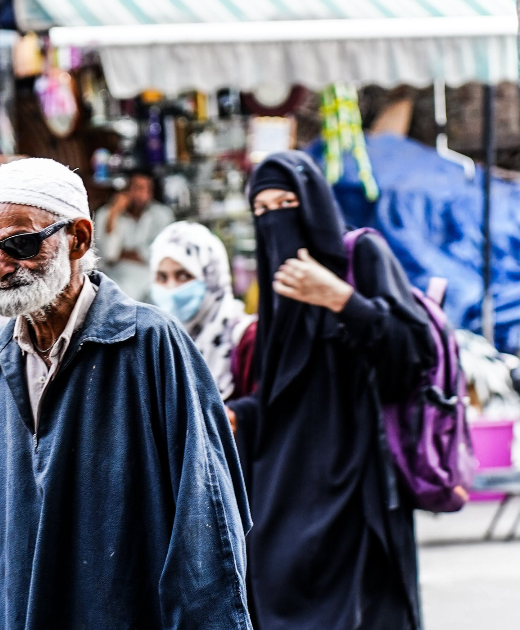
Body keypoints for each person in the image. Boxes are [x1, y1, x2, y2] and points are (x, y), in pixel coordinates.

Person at [0, 158, 253, 630]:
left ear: (78, 239)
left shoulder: (150, 345)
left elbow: (206, 523)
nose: (0, 267)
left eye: (20, 245)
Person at [226, 151, 434, 630]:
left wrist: (341, 299)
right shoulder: (277, 291)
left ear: (313, 202)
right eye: (261, 211)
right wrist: (241, 413)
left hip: (357, 491)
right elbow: (289, 396)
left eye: (286, 202)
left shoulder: (361, 256)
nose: (275, 219)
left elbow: (411, 355)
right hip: (286, 495)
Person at [148, 221, 256, 402]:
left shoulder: (247, 338)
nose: (172, 289)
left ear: (212, 276)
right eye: (161, 277)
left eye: (184, 275)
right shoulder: (154, 344)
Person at [93, 170, 176, 301]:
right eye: (138, 188)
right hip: (119, 278)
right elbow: (108, 255)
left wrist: (124, 254)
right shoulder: (106, 214)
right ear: (125, 191)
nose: (143, 195)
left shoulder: (161, 214)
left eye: (148, 189)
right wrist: (113, 214)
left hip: (152, 277)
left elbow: (159, 253)